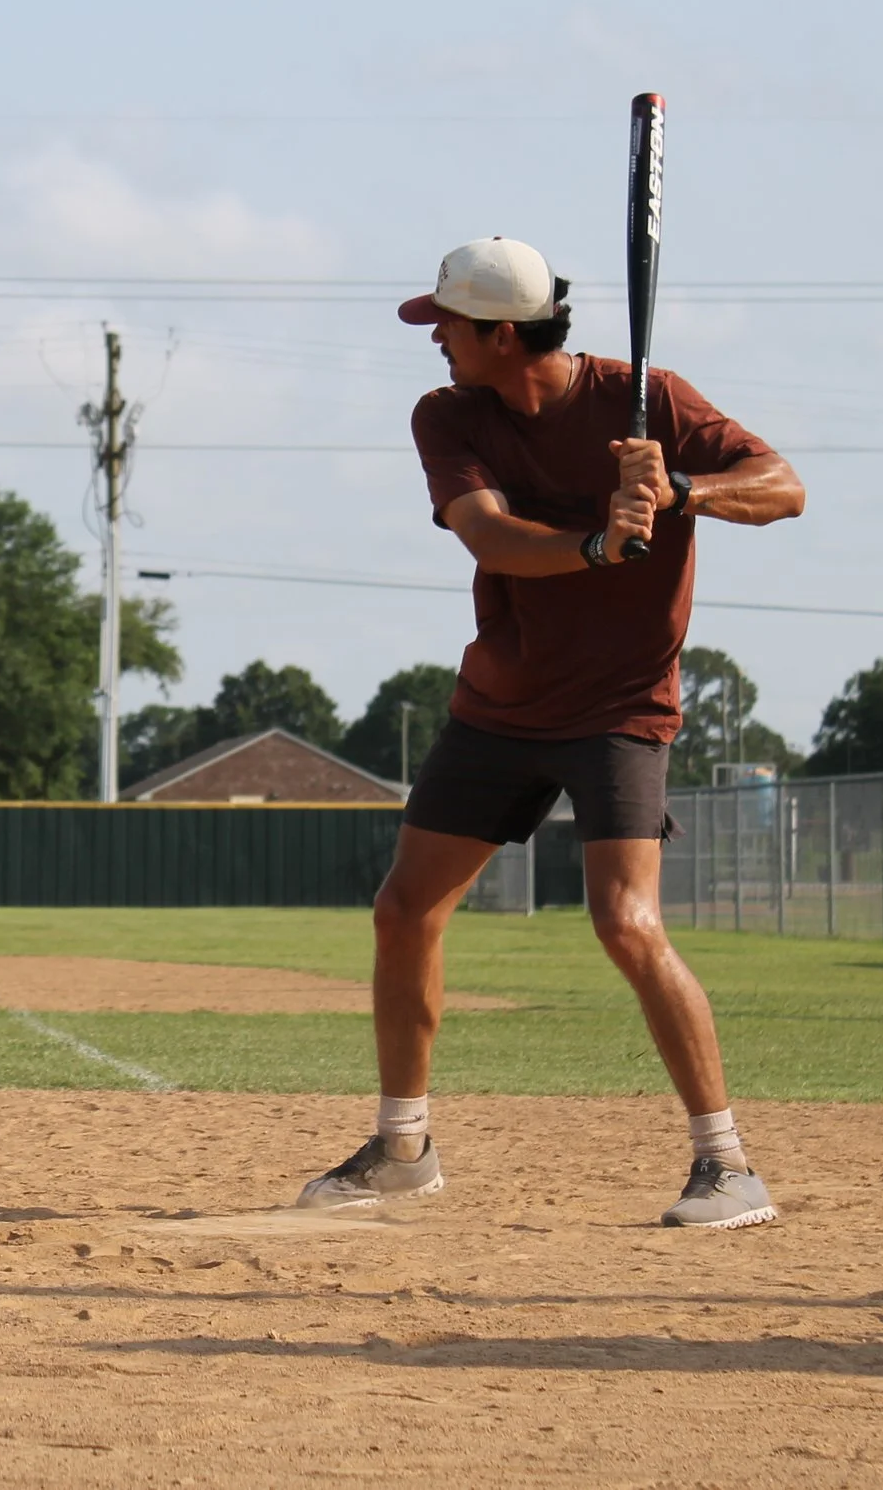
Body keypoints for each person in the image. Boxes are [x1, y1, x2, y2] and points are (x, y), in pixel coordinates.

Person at [296, 237, 805, 1229]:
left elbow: (782, 485)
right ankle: (403, 1145)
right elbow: (489, 533)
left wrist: (681, 491)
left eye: (445, 324)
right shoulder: (447, 412)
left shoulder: (646, 402)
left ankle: (726, 1163)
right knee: (404, 911)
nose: (434, 339)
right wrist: (596, 541)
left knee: (625, 920)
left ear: (498, 332)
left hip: (617, 706)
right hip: (499, 704)